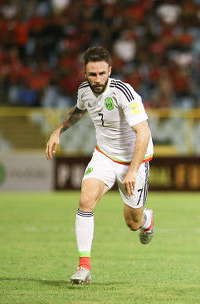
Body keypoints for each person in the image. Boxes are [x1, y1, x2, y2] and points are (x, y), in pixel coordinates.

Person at [45, 47, 155, 285]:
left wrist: (134, 170)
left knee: (132, 223)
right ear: (85, 73)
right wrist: (58, 130)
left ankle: (146, 219)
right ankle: (84, 267)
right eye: (92, 74)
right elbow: (79, 110)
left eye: (102, 73)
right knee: (85, 200)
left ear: (110, 71)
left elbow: (143, 132)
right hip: (104, 155)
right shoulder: (84, 90)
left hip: (133, 160)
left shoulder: (124, 92)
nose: (97, 79)